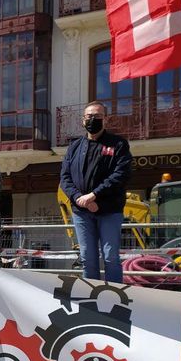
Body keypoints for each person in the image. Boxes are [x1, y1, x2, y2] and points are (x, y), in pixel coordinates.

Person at [60, 100, 133, 283]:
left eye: (98, 116)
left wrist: (94, 196)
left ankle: (115, 299)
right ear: (83, 120)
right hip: (81, 212)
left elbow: (120, 175)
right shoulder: (74, 147)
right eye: (89, 116)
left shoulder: (118, 144)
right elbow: (65, 177)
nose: (93, 119)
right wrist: (79, 199)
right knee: (87, 259)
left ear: (105, 119)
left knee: (111, 257)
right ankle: (90, 300)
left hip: (109, 210)